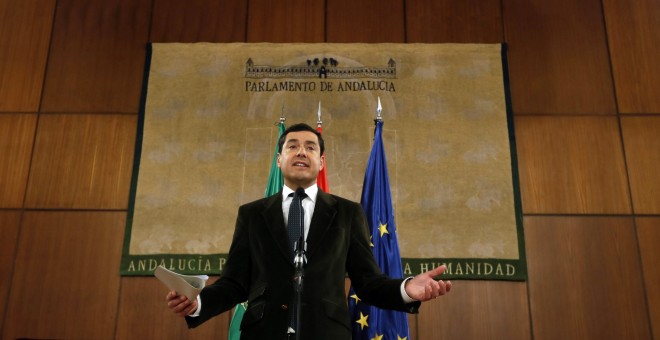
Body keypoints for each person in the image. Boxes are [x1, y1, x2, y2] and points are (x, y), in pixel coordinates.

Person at [166, 123, 451, 339]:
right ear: (279, 159)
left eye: (310, 147)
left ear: (321, 162)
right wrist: (198, 303)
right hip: (263, 332)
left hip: (327, 332)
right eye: (292, 146)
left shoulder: (348, 212)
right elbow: (235, 283)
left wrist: (407, 289)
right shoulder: (252, 213)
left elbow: (368, 282)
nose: (301, 151)